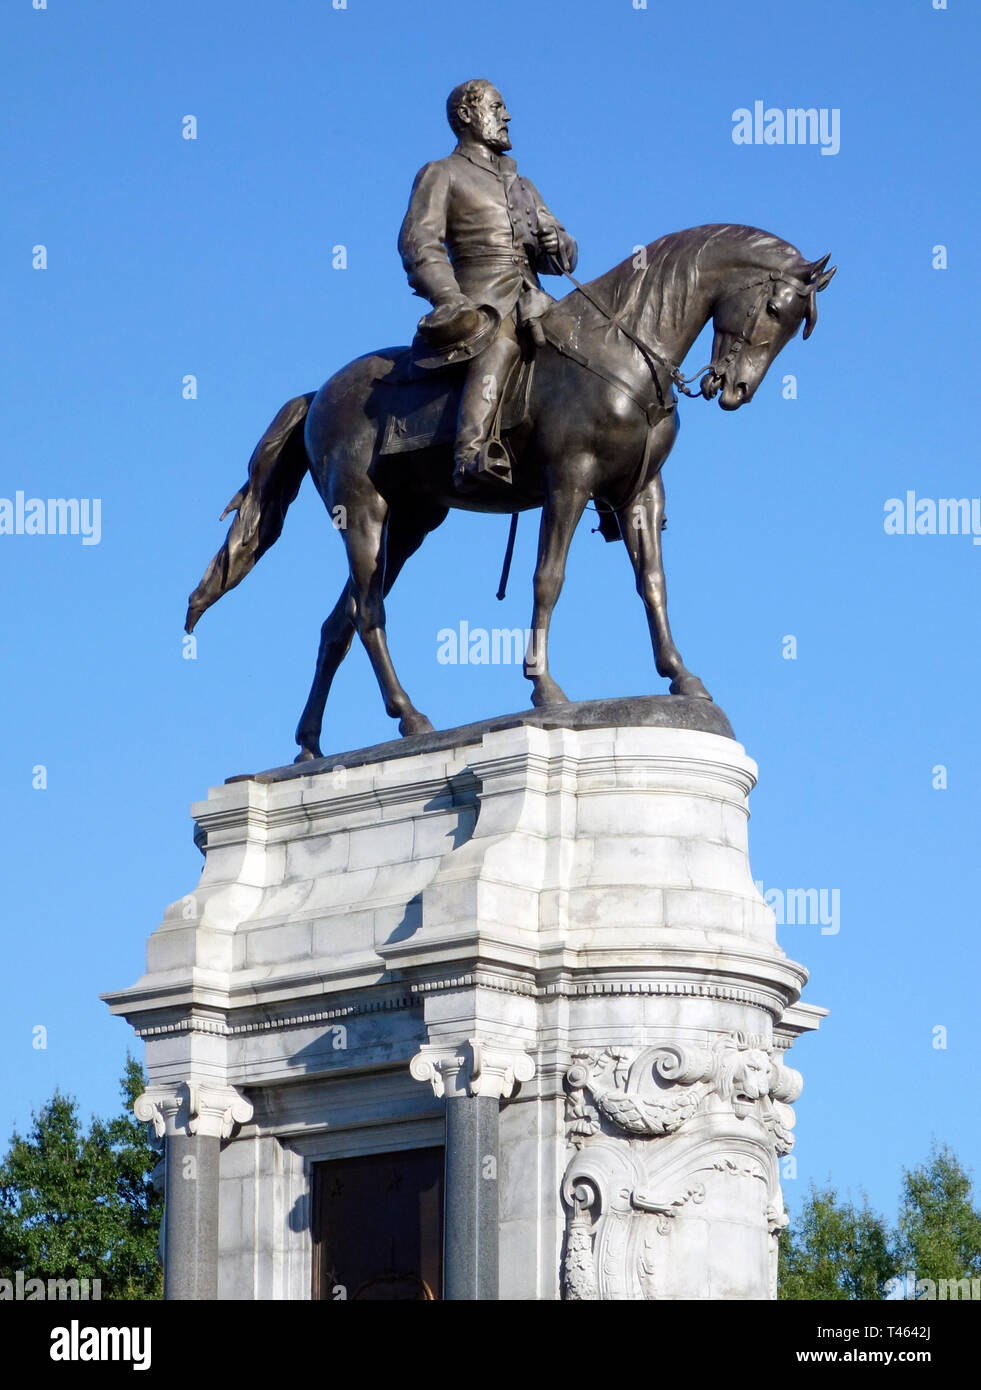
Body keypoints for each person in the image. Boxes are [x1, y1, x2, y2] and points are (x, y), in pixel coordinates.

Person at [398, 80, 578, 488]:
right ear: (466, 115)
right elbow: (418, 242)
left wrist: (557, 243)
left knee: (591, 348)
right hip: (483, 301)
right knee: (500, 344)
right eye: (497, 107)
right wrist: (451, 299)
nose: (507, 116)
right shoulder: (441, 173)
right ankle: (470, 453)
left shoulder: (522, 185)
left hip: (536, 300)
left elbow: (562, 254)